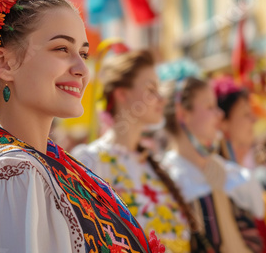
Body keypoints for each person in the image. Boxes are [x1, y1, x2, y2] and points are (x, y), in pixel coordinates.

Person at [0, 0, 163, 252]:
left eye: (83, 53)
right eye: (61, 49)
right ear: (5, 63)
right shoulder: (16, 173)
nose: (81, 69)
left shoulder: (40, 164)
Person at [72, 50, 193, 253]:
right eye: (151, 89)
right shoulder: (89, 161)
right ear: (122, 94)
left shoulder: (156, 166)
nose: (161, 99)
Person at [161, 76, 265, 253]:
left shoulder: (232, 176)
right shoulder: (165, 181)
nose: (219, 114)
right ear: (182, 114)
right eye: (210, 107)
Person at [214, 77, 257, 169]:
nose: (253, 120)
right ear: (223, 122)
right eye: (246, 114)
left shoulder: (246, 163)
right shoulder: (219, 171)